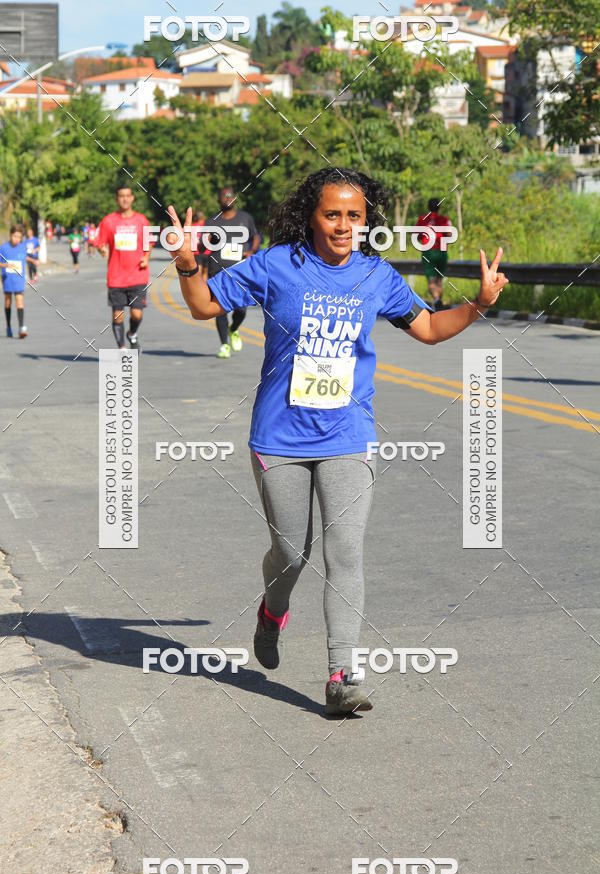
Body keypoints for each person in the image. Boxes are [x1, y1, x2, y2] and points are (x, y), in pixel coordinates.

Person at [166, 168, 508, 715]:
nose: (344, 225)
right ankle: (272, 611)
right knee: (291, 555)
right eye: (333, 214)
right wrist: (188, 263)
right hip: (279, 437)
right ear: (311, 216)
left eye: (355, 215)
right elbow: (204, 306)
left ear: (366, 219)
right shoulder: (278, 265)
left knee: (345, 551)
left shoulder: (377, 276)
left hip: (349, 435)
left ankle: (342, 675)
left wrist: (479, 305)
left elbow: (427, 328)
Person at [199, 186, 260, 359]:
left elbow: (255, 237)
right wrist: (207, 240)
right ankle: (224, 344)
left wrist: (251, 251)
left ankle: (234, 329)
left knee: (241, 309)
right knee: (220, 310)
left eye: (230, 196)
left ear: (234, 199)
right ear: (219, 200)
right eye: (224, 196)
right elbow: (201, 247)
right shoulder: (212, 221)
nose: (227, 199)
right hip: (217, 271)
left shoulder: (245, 218)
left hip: (240, 272)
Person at [94, 186, 153, 351]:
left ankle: (132, 334)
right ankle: (122, 348)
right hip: (116, 276)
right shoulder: (108, 221)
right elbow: (100, 242)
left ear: (132, 198)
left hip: (138, 276)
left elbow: (149, 242)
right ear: (117, 199)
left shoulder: (141, 220)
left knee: (137, 314)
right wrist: (102, 249)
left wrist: (146, 257)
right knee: (117, 315)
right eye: (121, 196)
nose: (125, 199)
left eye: (128, 196)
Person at [0, 224, 38, 338]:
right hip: (7, 278)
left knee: (19, 301)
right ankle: (8, 326)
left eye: (19, 237)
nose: (17, 239)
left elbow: (24, 257)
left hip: (19, 278)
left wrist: (32, 260)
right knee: (7, 302)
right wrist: (5, 265)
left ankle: (21, 328)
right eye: (15, 236)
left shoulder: (22, 247)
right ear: (11, 235)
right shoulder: (3, 248)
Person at [415, 198, 453, 310]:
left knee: (431, 280)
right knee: (439, 280)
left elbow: (416, 235)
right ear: (439, 207)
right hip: (441, 252)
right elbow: (450, 234)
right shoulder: (445, 219)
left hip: (428, 252)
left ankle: (437, 301)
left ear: (428, 207)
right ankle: (439, 302)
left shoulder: (422, 219)